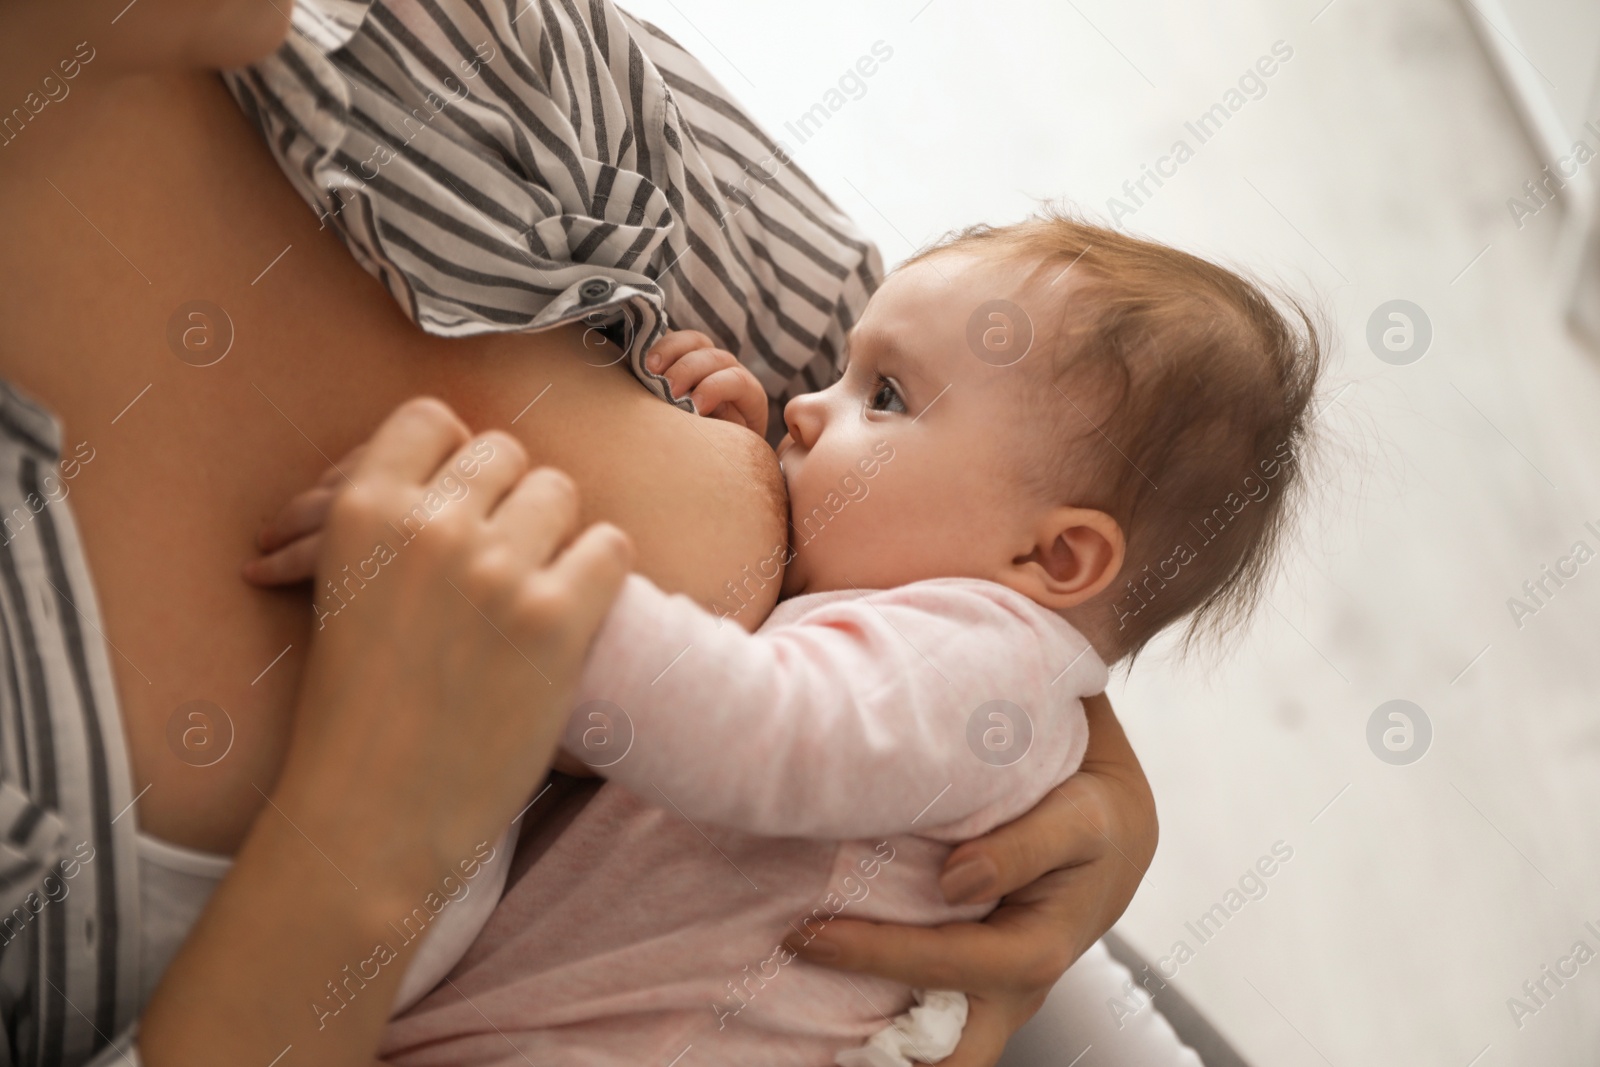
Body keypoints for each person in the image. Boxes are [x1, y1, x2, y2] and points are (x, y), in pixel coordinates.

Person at [0, 1, 1160, 1063]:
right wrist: (368, 836)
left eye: (869, 400)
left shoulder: (448, 36)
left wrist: (1076, 758)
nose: (810, 408)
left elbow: (1030, 439)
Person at [242, 208, 1321, 1066]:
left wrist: (529, 583)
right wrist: (715, 452)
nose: (804, 407)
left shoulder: (984, 660)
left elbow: (762, 725)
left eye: (883, 396)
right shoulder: (943, 647)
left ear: (1054, 561)